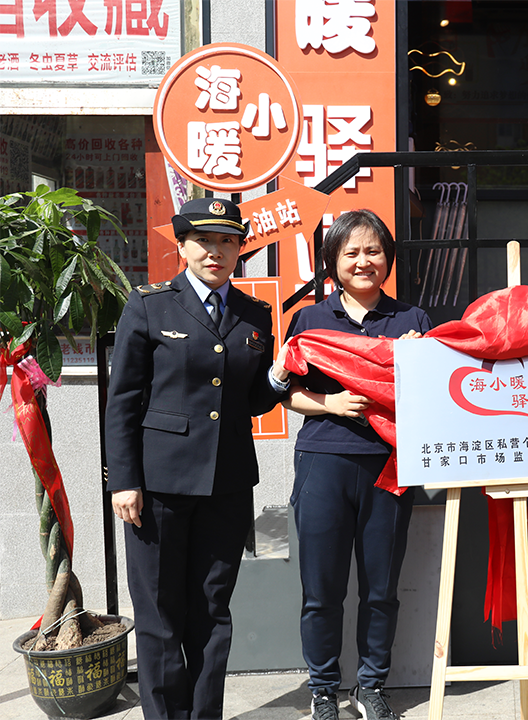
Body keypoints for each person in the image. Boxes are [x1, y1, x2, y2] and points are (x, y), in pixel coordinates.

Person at [106, 197, 289, 719]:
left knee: (212, 611)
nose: (216, 251)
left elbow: (250, 400)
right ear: (182, 246)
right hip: (157, 486)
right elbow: (123, 401)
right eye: (204, 241)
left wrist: (278, 377)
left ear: (239, 250)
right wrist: (124, 480)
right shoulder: (149, 305)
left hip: (227, 485)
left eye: (227, 241)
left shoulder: (254, 314)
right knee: (160, 614)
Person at [276, 210, 431, 720]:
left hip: (389, 467)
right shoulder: (310, 320)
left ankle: (371, 686)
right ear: (333, 261)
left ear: (388, 259)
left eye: (374, 251)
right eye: (352, 253)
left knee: (381, 590)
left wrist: (420, 361)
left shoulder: (412, 321)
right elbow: (287, 392)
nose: (364, 261)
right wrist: (331, 404)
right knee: (321, 590)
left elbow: (434, 395)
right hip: (323, 462)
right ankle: (323, 689)